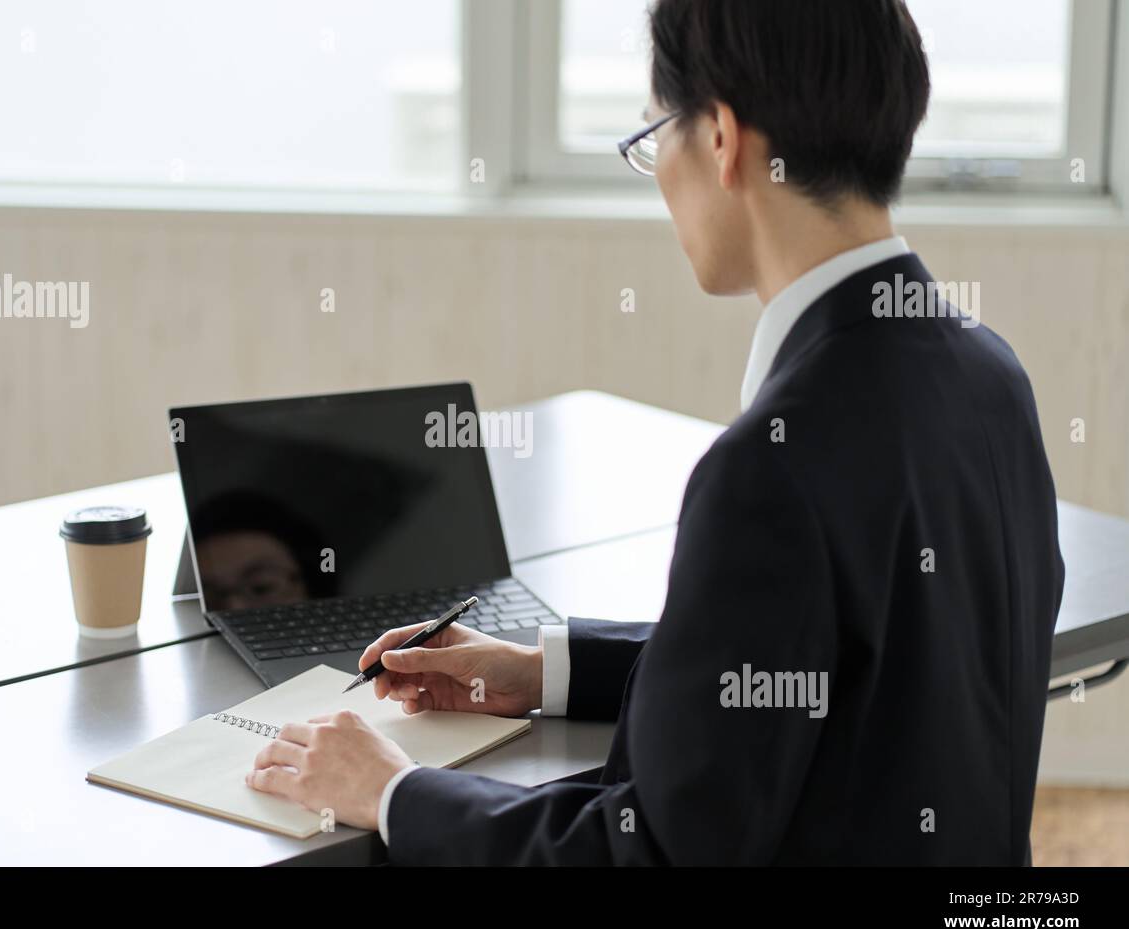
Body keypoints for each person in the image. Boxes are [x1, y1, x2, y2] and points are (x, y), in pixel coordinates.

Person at [244, 0, 1065, 864]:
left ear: (722, 139)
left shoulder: (769, 469)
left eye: (653, 137)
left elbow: (653, 854)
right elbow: (843, 664)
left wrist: (394, 792)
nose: (658, 175)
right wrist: (546, 670)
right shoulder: (992, 376)